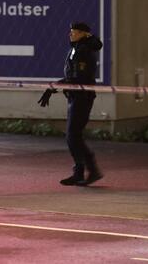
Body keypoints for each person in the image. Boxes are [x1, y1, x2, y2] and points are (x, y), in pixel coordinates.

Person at [38, 21, 104, 186]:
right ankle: (79, 172)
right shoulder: (77, 48)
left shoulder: (84, 50)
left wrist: (55, 86)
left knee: (73, 136)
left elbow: (78, 78)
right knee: (73, 136)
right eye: (71, 31)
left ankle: (92, 170)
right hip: (75, 96)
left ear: (84, 34)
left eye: (74, 31)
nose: (70, 34)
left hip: (82, 96)